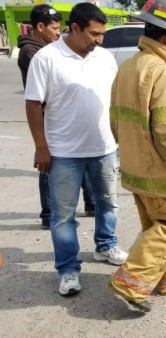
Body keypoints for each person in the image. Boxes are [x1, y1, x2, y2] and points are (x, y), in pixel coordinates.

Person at [24, 3, 127, 296]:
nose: (99, 40)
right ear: (75, 28)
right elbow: (33, 104)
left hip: (104, 147)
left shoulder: (105, 58)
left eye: (102, 34)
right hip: (63, 152)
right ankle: (68, 268)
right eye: (94, 34)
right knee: (63, 215)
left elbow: (115, 100)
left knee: (108, 202)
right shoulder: (47, 58)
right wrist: (41, 147)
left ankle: (105, 246)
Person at [109, 0, 166, 312]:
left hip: (136, 169)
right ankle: (130, 282)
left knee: (157, 224)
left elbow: (116, 121)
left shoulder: (128, 67)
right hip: (161, 171)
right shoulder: (163, 73)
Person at [18, 5, 96, 230]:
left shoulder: (47, 48)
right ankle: (48, 213)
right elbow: (36, 98)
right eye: (53, 28)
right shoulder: (33, 53)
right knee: (49, 164)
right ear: (40, 27)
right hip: (49, 118)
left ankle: (90, 203)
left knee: (79, 158)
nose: (57, 32)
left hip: (64, 117)